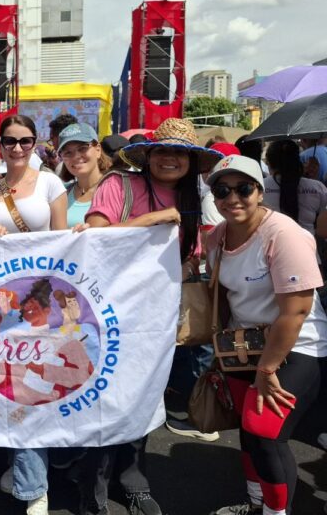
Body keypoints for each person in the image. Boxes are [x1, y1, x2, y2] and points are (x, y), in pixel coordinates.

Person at [83, 118, 223, 515]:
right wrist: (152, 220)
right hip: (107, 312)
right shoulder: (119, 186)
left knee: (143, 399)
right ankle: (93, 484)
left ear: (192, 161)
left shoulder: (192, 198)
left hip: (154, 319)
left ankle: (133, 479)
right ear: (148, 155)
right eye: (163, 150)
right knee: (102, 398)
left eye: (181, 152)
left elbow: (188, 258)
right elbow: (94, 238)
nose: (171, 158)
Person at [204, 155, 327, 515]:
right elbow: (223, 294)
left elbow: (297, 311)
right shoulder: (218, 236)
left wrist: (268, 369)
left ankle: (277, 512)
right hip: (244, 344)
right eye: (222, 190)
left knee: (264, 431)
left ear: (260, 191)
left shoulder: (285, 235)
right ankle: (256, 501)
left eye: (243, 188)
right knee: (247, 429)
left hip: (297, 344)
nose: (232, 198)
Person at [0, 114, 67, 515]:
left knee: (30, 392)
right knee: (6, 387)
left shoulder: (50, 183)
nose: (17, 148)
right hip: (0, 302)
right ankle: (22, 467)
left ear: (35, 144)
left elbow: (62, 243)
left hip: (39, 301)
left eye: (25, 141)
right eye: (10, 141)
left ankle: (34, 486)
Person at [263, 139, 327, 236]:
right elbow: (323, 227)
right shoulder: (317, 187)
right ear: (297, 159)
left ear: (269, 162)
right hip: (308, 247)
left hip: (270, 246)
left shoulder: (258, 187)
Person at [57, 123, 112, 227]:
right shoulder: (60, 193)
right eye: (68, 153)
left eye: (82, 148)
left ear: (98, 150)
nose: (76, 156)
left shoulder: (118, 188)